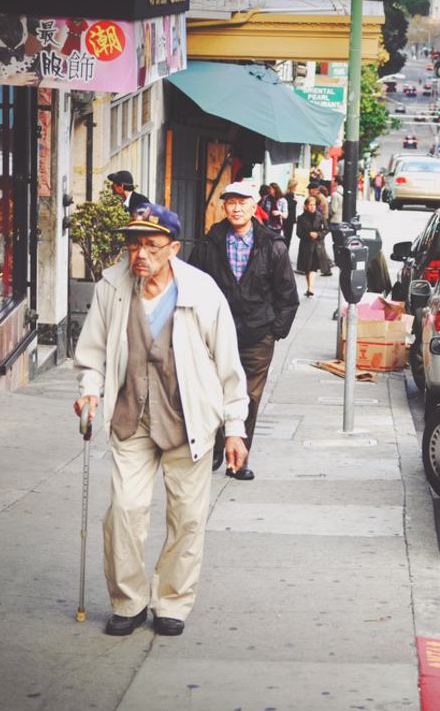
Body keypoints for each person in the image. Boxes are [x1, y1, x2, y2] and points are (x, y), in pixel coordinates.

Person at [73, 202, 248, 638]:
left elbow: (228, 364)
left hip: (188, 421)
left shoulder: (202, 291)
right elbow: (92, 352)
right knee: (125, 511)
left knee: (187, 517)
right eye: (134, 245)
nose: (140, 255)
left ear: (173, 248)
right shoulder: (111, 286)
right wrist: (90, 390)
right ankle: (128, 601)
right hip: (131, 417)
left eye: (151, 245)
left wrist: (235, 428)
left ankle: (171, 601)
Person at [188, 181, 299, 480]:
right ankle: (216, 446)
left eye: (242, 203)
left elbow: (288, 295)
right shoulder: (209, 244)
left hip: (256, 335)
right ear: (224, 207)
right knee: (213, 392)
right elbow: (190, 286)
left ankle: (238, 457)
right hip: (214, 335)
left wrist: (274, 332)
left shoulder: (272, 245)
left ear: (253, 207)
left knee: (248, 396)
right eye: (231, 203)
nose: (236, 208)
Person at [296, 196, 329, 297]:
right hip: (306, 245)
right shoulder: (301, 218)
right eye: (310, 205)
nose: (312, 207)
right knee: (307, 268)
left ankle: (310, 288)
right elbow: (298, 233)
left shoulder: (320, 216)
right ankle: (309, 287)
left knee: (313, 267)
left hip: (317, 245)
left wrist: (318, 234)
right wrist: (309, 234)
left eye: (314, 205)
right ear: (306, 206)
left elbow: (326, 229)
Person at [284, 179, 299, 252]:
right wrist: (295, 202)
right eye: (295, 186)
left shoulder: (287, 194)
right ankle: (285, 253)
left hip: (288, 219)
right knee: (287, 238)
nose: (296, 187)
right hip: (289, 219)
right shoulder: (289, 195)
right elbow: (289, 207)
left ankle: (285, 253)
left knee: (287, 237)